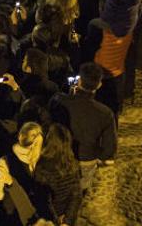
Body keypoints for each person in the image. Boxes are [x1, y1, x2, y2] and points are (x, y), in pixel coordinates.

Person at [49, 63, 117, 191]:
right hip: (87, 158)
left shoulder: (59, 101)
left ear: (79, 80)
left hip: (62, 154)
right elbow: (110, 147)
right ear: (99, 85)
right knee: (81, 189)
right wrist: (100, 157)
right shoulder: (105, 113)